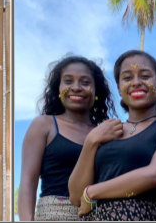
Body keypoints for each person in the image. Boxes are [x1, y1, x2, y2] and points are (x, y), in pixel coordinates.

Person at [69, 50, 156, 221]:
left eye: (145, 76)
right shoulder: (106, 132)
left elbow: (154, 175)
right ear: (119, 88)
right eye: (127, 78)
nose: (136, 82)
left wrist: (92, 192)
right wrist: (91, 141)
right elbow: (75, 197)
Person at [18, 55, 116, 221]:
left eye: (85, 82)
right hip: (53, 215)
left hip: (99, 215)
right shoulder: (44, 125)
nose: (76, 87)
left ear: (96, 90)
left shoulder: (105, 133)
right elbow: (28, 181)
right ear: (58, 87)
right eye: (68, 81)